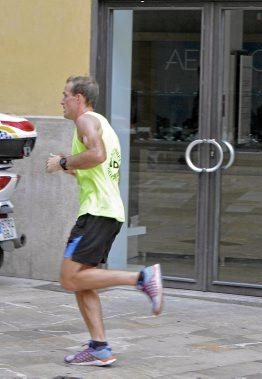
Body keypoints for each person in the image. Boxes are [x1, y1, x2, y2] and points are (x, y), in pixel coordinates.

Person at [46, 76, 164, 366]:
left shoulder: (86, 120)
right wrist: (69, 166)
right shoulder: (98, 123)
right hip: (104, 212)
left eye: (65, 95)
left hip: (97, 214)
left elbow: (96, 155)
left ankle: (141, 278)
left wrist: (62, 163)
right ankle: (100, 348)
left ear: (79, 98)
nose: (61, 101)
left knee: (69, 278)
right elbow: (93, 166)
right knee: (81, 283)